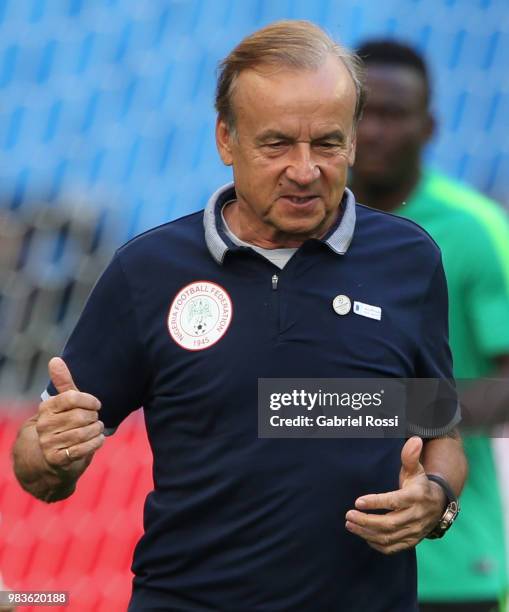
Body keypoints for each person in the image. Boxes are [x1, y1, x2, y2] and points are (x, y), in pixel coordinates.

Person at [12, 21, 467, 611]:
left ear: (353, 141)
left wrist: (435, 501)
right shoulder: (148, 271)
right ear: (226, 140)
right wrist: (48, 451)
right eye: (276, 144)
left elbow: (441, 434)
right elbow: (38, 471)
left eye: (327, 143)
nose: (305, 170)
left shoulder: (409, 261)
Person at [351, 39, 509, 612]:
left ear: (430, 126)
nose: (372, 132)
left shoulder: (477, 231)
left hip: (449, 563)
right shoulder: (299, 226)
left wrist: (353, 409)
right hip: (320, 560)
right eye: (362, 112)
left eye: (393, 115)